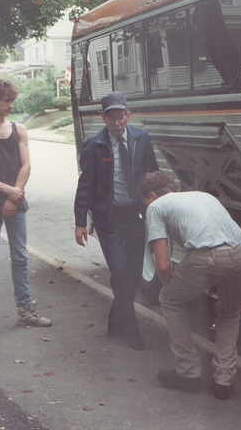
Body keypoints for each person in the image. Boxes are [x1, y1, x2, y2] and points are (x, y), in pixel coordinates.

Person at [140, 171, 241, 399]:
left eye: (146, 201)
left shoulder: (156, 207)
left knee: (169, 300)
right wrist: (240, 290)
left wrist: (171, 289)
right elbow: (233, 239)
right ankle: (224, 381)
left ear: (151, 194)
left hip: (207, 256)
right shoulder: (202, 195)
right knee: (229, 313)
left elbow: (162, 265)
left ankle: (188, 373)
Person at [74, 91, 158, 350]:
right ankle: (131, 328)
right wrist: (80, 221)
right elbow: (85, 186)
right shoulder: (94, 145)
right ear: (104, 118)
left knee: (132, 272)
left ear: (128, 115)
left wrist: (158, 206)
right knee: (120, 271)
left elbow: (153, 174)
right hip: (109, 218)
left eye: (121, 117)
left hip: (135, 215)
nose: (117, 123)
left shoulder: (141, 138)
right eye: (112, 118)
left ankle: (115, 317)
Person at [0, 79, 52, 338]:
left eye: (11, 100)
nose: (10, 105)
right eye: (5, 100)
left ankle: (26, 310)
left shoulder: (19, 129)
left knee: (20, 256)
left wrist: (14, 197)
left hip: (15, 201)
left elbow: (25, 166)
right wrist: (9, 191)